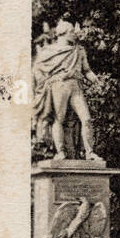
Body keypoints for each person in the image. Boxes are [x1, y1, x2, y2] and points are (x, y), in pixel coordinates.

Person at [33, 19, 101, 160]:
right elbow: (37, 69)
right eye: (71, 32)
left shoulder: (79, 50)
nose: (75, 34)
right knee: (59, 119)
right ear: (62, 33)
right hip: (59, 86)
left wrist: (97, 81)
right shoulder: (49, 50)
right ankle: (60, 152)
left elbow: (87, 70)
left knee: (87, 119)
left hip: (76, 86)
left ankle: (90, 152)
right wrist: (46, 82)